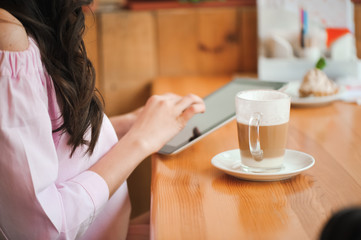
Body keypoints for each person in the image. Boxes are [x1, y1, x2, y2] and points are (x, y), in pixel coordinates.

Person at [0, 1, 205, 239]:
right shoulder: (8, 36)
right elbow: (42, 229)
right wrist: (140, 140)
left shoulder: (34, 22)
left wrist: (126, 125)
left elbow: (44, 146)